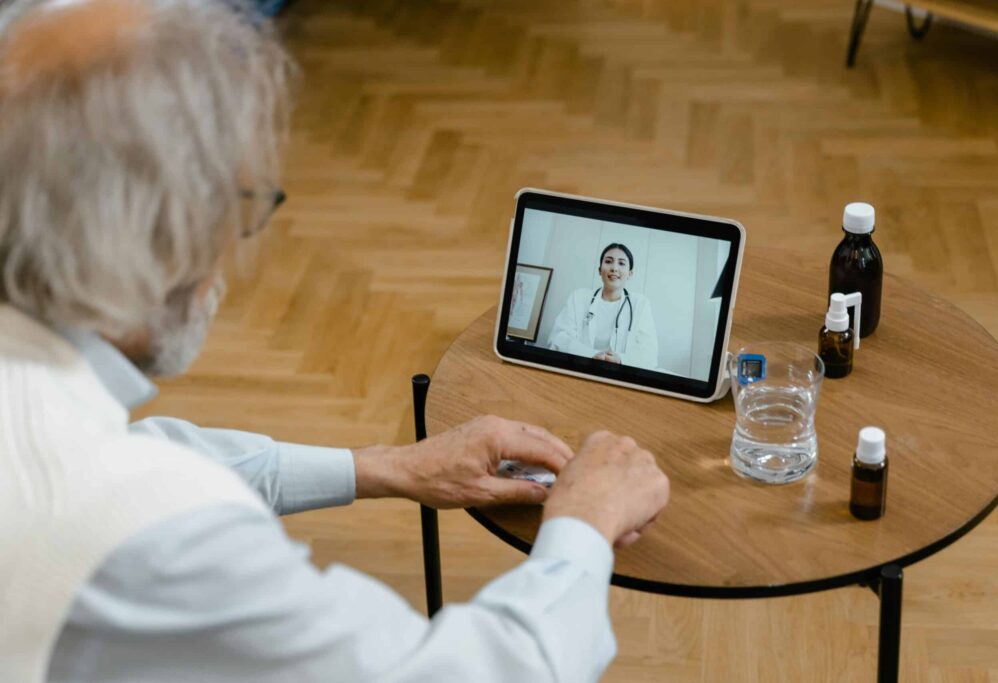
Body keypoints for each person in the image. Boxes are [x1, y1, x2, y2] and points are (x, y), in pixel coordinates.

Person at [0, 1, 671, 682]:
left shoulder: (54, 433)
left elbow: (137, 456)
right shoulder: (159, 537)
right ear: (162, 243)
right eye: (234, 211)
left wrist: (387, 466)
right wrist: (582, 526)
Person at [548, 243, 660, 369]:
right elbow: (558, 339)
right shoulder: (579, 297)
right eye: (608, 261)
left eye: (621, 263)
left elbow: (649, 355)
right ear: (600, 270)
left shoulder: (640, 304)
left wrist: (621, 359)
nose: (614, 268)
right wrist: (591, 355)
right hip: (580, 368)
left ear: (630, 273)